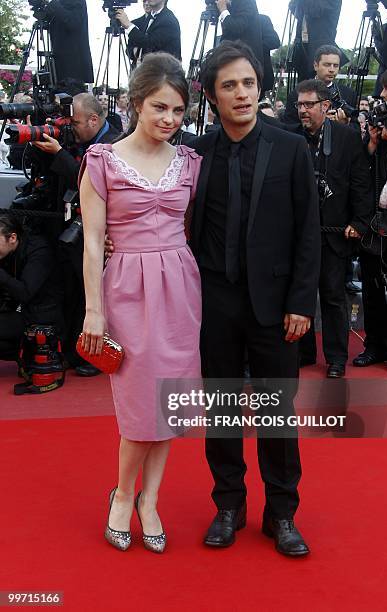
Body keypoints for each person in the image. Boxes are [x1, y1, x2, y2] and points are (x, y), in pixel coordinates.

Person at [191, 41, 321, 555]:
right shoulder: (196, 154)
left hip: (276, 306)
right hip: (215, 301)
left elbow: (308, 232)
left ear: (260, 85)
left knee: (276, 413)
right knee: (221, 408)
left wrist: (300, 302)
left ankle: (282, 513)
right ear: (211, 95)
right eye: (229, 85)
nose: (241, 93)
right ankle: (228, 506)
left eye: (247, 82)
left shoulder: (290, 147)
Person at [79, 53, 202, 553]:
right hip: (127, 287)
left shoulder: (191, 161)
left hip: (180, 287)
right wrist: (93, 310)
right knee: (138, 406)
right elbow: (92, 242)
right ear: (135, 104)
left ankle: (152, 499)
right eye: (159, 108)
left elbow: (195, 228)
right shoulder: (102, 160)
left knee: (169, 402)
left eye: (177, 111)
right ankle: (123, 496)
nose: (169, 119)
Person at [32, 93, 120, 376]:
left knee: (92, 297)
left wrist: (60, 154)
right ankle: (73, 350)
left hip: (101, 236)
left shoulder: (115, 143)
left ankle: (94, 356)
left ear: (94, 120)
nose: (71, 128)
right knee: (70, 293)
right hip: (71, 230)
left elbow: (90, 182)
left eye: (76, 123)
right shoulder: (77, 141)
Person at [291, 80, 373, 377]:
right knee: (300, 294)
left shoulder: (347, 138)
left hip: (334, 232)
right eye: (299, 104)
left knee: (333, 296)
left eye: (308, 104)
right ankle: (303, 353)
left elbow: (361, 183)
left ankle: (337, 358)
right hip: (298, 234)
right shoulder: (290, 137)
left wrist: (359, 221)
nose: (302, 110)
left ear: (325, 106)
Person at [354, 67, 387, 374]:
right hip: (373, 219)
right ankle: (373, 345)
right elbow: (361, 167)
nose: (383, 94)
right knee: (372, 286)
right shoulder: (379, 123)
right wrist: (373, 144)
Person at [0, 215, 63, 361]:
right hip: (19, 310)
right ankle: (26, 356)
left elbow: (25, 292)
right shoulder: (8, 252)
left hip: (41, 317)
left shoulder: (39, 251)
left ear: (12, 238)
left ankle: (29, 354)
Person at [284, 45, 357, 126]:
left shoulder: (348, 94)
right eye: (327, 65)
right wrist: (318, 122)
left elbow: (356, 130)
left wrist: (343, 125)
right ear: (315, 65)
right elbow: (289, 127)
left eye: (335, 65)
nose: (332, 70)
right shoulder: (298, 94)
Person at [36, 0, 94, 84]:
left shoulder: (77, 2)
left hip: (73, 66)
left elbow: (73, 22)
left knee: (71, 94)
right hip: (57, 63)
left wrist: (55, 4)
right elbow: (44, 17)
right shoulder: (57, 3)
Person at [289, 0, 344, 82]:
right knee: (302, 85)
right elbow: (294, 8)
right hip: (303, 47)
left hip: (321, 50)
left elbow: (314, 10)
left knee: (318, 86)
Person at [116, 0, 181, 66]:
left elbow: (149, 43)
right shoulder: (149, 18)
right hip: (143, 71)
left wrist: (128, 25)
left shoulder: (168, 20)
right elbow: (131, 47)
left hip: (162, 73)